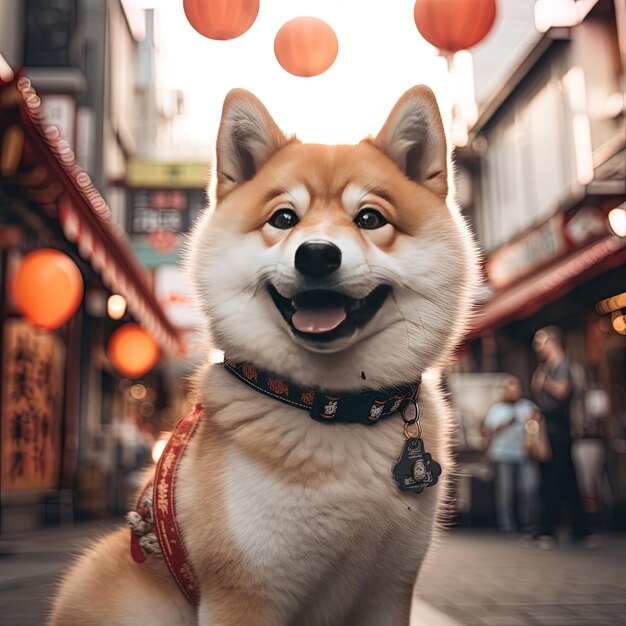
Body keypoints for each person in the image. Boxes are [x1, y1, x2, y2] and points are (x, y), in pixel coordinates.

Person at [531, 326, 596, 548]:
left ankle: (546, 530)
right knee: (568, 481)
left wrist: (543, 382)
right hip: (551, 430)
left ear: (553, 342)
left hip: (559, 431)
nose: (537, 347)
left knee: (553, 480)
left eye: (541, 342)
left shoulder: (562, 366)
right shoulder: (548, 367)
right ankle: (583, 531)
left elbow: (562, 391)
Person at [483, 376, 538, 533]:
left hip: (524, 453)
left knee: (527, 489)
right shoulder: (496, 409)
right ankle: (506, 523)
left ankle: (526, 521)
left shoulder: (528, 406)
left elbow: (536, 424)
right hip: (502, 454)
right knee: (505, 491)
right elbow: (489, 431)